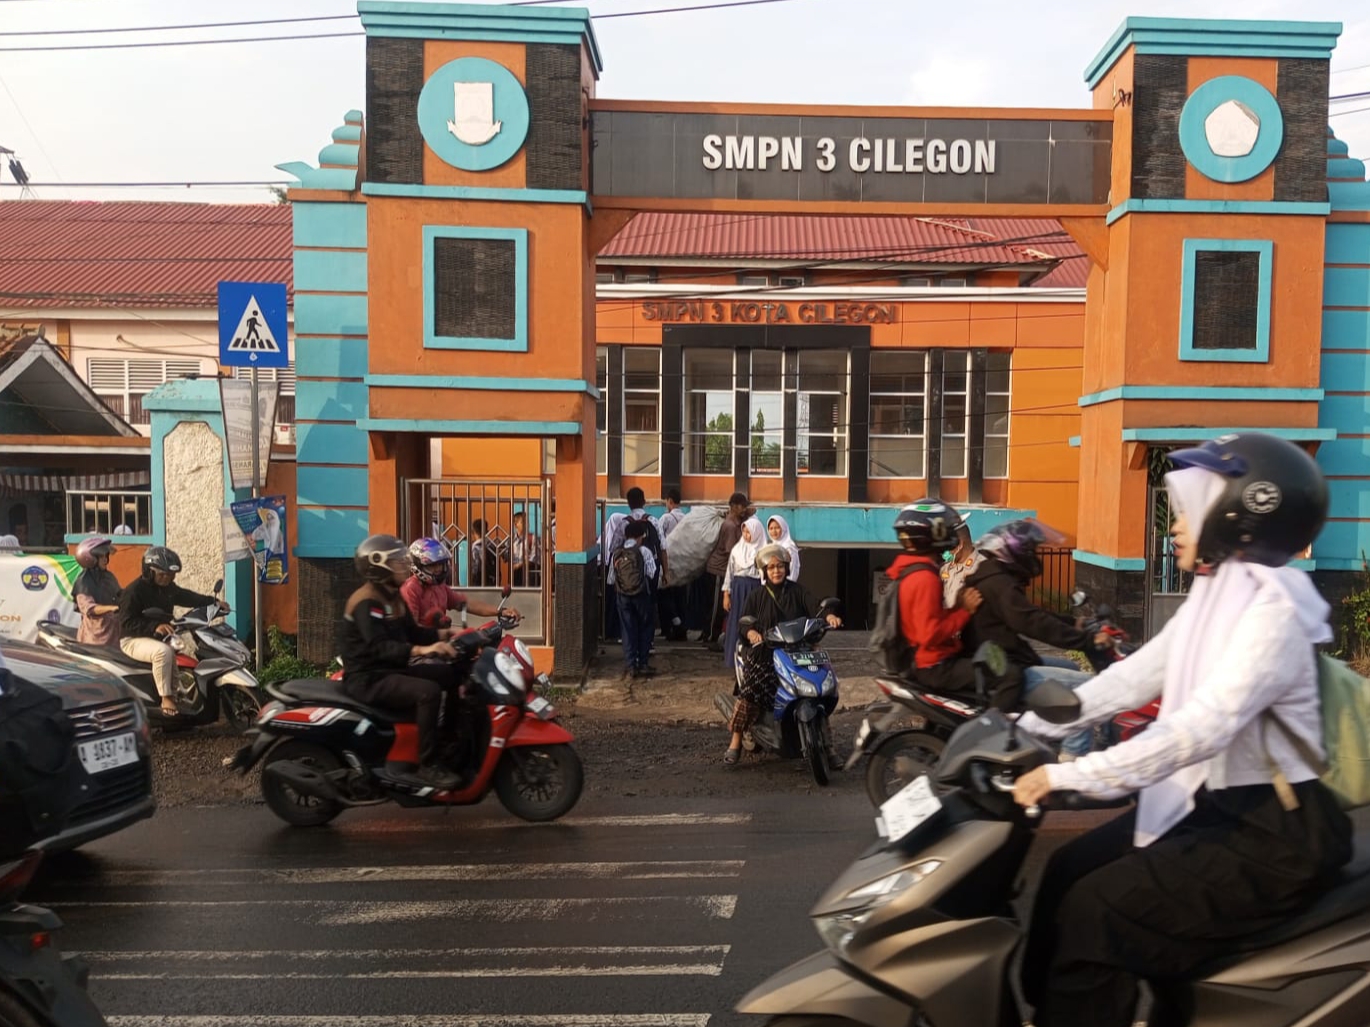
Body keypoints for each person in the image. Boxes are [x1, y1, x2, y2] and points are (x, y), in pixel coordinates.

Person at [1013, 433, 1352, 1027]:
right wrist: (1025, 728)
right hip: (1217, 806)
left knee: (1098, 911)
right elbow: (1132, 679)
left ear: (1239, 516)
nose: (1174, 525)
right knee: (1068, 870)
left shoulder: (1273, 612)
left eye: (1189, 510)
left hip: (1274, 832)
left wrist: (1072, 775)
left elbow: (1203, 728)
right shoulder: (1215, 598)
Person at [960, 519, 1109, 758]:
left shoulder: (995, 577)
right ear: (1014, 552)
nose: (1035, 558)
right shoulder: (998, 583)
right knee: (1086, 688)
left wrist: (1072, 623)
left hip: (1006, 658)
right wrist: (1087, 641)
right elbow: (1032, 623)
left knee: (1071, 668)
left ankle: (1052, 737)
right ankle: (1072, 759)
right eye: (1031, 552)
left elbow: (1030, 613)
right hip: (1006, 665)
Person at [339, 534, 462, 791]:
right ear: (379, 567)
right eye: (397, 562)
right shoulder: (367, 601)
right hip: (368, 678)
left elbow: (412, 631)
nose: (404, 566)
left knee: (452, 673)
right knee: (428, 692)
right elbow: (380, 647)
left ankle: (451, 741)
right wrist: (423, 649)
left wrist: (446, 635)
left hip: (390, 670)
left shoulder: (393, 596)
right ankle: (428, 765)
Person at [724, 543, 841, 765]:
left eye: (779, 566)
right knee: (751, 689)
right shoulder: (757, 596)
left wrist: (829, 617)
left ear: (786, 568)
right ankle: (736, 740)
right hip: (767, 653)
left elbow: (817, 607)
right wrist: (751, 632)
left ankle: (828, 746)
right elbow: (744, 622)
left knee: (819, 690)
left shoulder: (798, 591)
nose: (776, 571)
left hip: (799, 651)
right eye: (771, 567)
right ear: (764, 571)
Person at [887, 501, 1003, 706]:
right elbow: (929, 633)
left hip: (939, 650)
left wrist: (957, 609)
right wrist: (963, 611)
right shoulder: (927, 576)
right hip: (935, 659)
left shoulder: (912, 571)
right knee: (1006, 674)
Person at [118, 547, 224, 718]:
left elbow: (186, 596)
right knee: (163, 652)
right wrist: (154, 626)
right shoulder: (133, 591)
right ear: (149, 571)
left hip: (158, 638)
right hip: (132, 640)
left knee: (172, 655)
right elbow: (126, 622)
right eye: (162, 574)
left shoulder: (167, 588)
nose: (167, 578)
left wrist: (213, 602)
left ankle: (176, 697)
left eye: (171, 575)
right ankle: (166, 698)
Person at [401, 538, 518, 631]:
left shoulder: (440, 587)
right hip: (422, 650)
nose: (438, 569)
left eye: (440, 564)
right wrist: (439, 630)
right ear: (418, 566)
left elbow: (466, 604)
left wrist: (500, 611)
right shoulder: (411, 589)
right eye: (432, 566)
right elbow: (411, 630)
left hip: (440, 644)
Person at [598, 488, 663, 642]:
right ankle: (647, 642)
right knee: (648, 607)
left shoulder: (624, 523)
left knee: (627, 610)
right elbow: (663, 548)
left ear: (628, 503)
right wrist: (665, 572)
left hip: (626, 575)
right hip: (649, 575)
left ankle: (627, 639)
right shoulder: (653, 521)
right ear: (644, 501)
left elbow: (614, 549)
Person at [609, 519, 658, 681]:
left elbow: (610, 579)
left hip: (622, 596)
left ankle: (631, 665)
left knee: (627, 629)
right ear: (640, 537)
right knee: (645, 626)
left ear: (626, 535)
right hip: (641, 595)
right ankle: (643, 663)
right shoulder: (644, 551)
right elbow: (651, 573)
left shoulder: (617, 552)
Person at [701, 492, 751, 648]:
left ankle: (710, 634)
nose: (744, 509)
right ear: (733, 506)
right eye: (742, 506)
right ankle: (710, 637)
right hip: (718, 570)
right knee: (716, 607)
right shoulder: (730, 526)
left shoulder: (736, 522)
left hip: (723, 570)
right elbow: (732, 552)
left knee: (718, 607)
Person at [721, 516, 765, 670]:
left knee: (753, 624)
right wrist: (726, 594)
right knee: (737, 622)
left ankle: (752, 662)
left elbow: (765, 576)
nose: (746, 535)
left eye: (749, 532)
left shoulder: (762, 551)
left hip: (755, 590)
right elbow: (729, 573)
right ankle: (734, 662)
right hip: (738, 590)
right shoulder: (737, 550)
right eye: (744, 532)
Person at [72, 535, 122, 647]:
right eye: (101, 556)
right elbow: (89, 609)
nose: (105, 559)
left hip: (113, 637)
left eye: (106, 555)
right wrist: (111, 608)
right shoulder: (83, 582)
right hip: (94, 640)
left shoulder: (109, 577)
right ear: (91, 558)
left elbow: (120, 595)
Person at [657, 489, 688, 641]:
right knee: (680, 597)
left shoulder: (666, 518)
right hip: (684, 563)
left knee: (664, 594)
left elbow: (659, 539)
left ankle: (668, 628)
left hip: (668, 562)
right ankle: (681, 629)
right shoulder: (686, 518)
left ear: (669, 501)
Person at [510, 509, 540, 589]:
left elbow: (534, 557)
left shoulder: (532, 538)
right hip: (515, 574)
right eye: (523, 522)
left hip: (529, 574)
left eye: (527, 522)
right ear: (516, 524)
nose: (527, 524)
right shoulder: (511, 540)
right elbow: (506, 555)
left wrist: (519, 565)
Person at [765, 515, 801, 581]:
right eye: (771, 528)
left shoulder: (789, 548)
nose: (774, 531)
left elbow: (792, 571)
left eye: (777, 528)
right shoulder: (771, 547)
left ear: (783, 528)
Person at [469, 519, 499, 588]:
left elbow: (475, 568)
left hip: (479, 582)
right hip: (492, 581)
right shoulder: (493, 546)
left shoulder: (475, 547)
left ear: (474, 532)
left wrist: (472, 581)